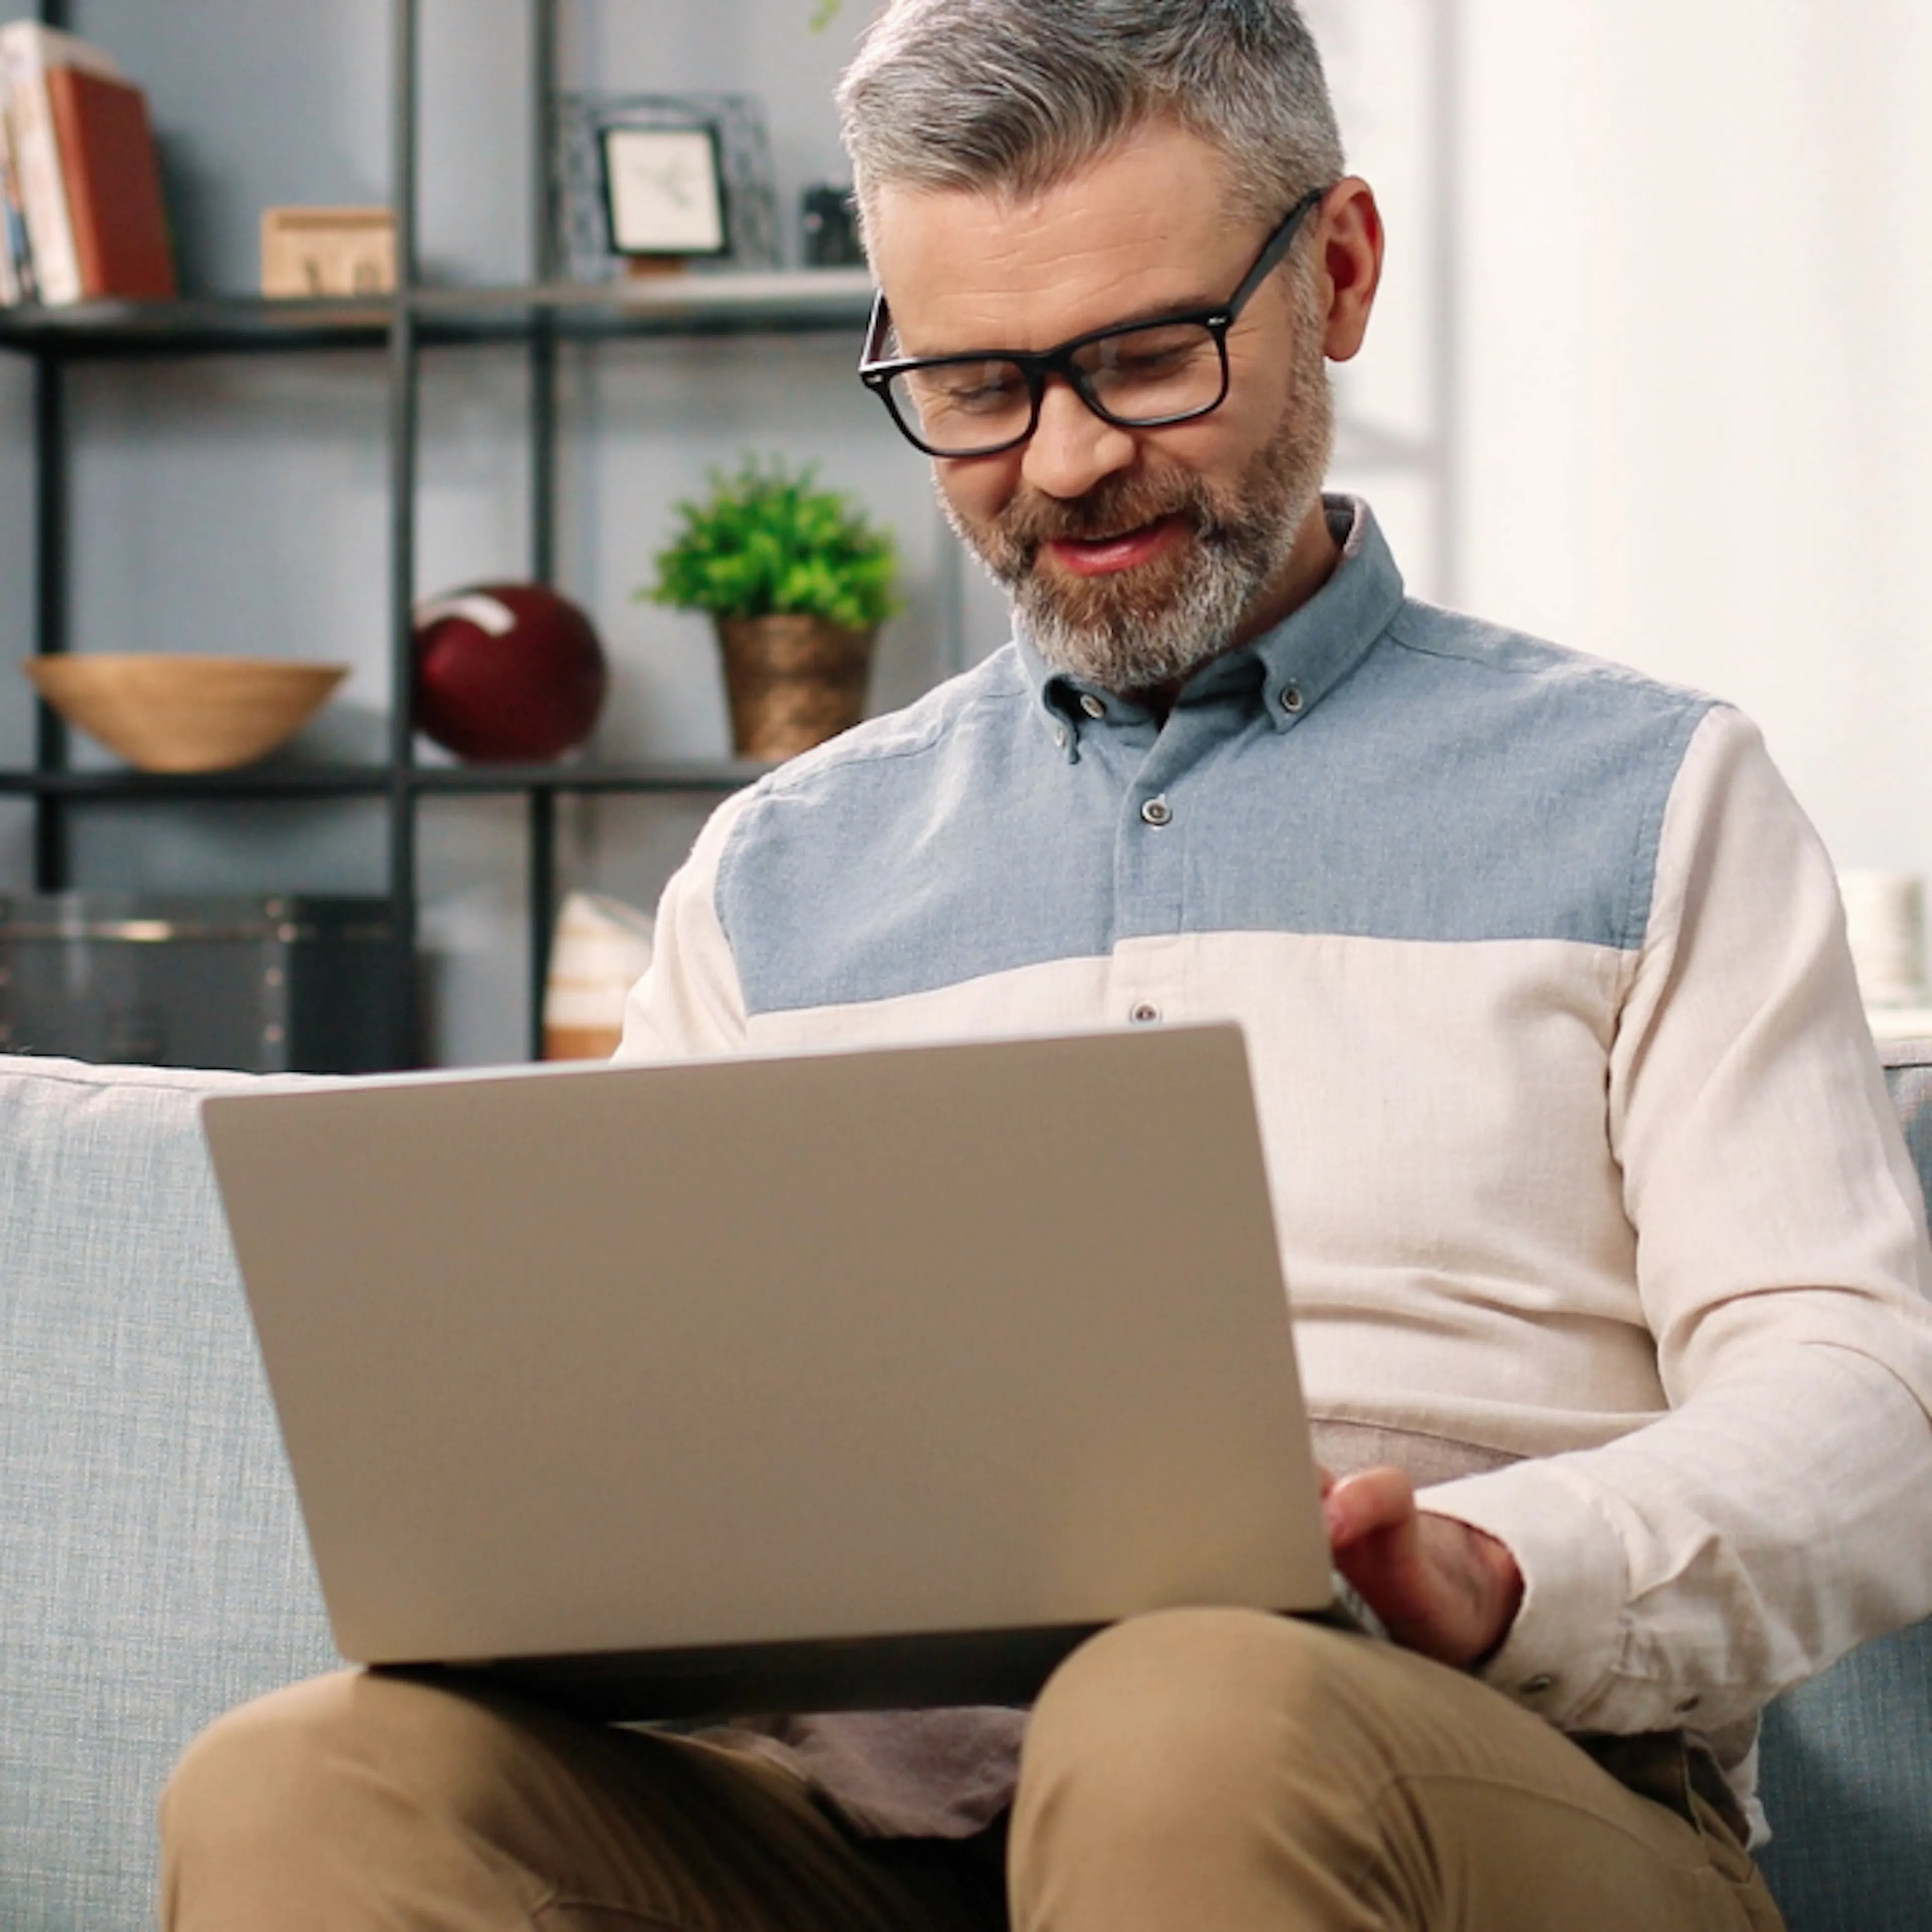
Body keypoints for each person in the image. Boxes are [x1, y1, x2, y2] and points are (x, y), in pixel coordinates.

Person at [160, 4, 1932, 1927]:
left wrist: (1504, 1570)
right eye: (976, 385)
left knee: (1186, 1717)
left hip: (1487, 1787)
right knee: (309, 1781)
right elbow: (637, 1438)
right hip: (862, 1837)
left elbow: (1860, 1401)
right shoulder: (772, 879)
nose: (1066, 462)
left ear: (1337, 276)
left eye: (1149, 358)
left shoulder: (1653, 797)